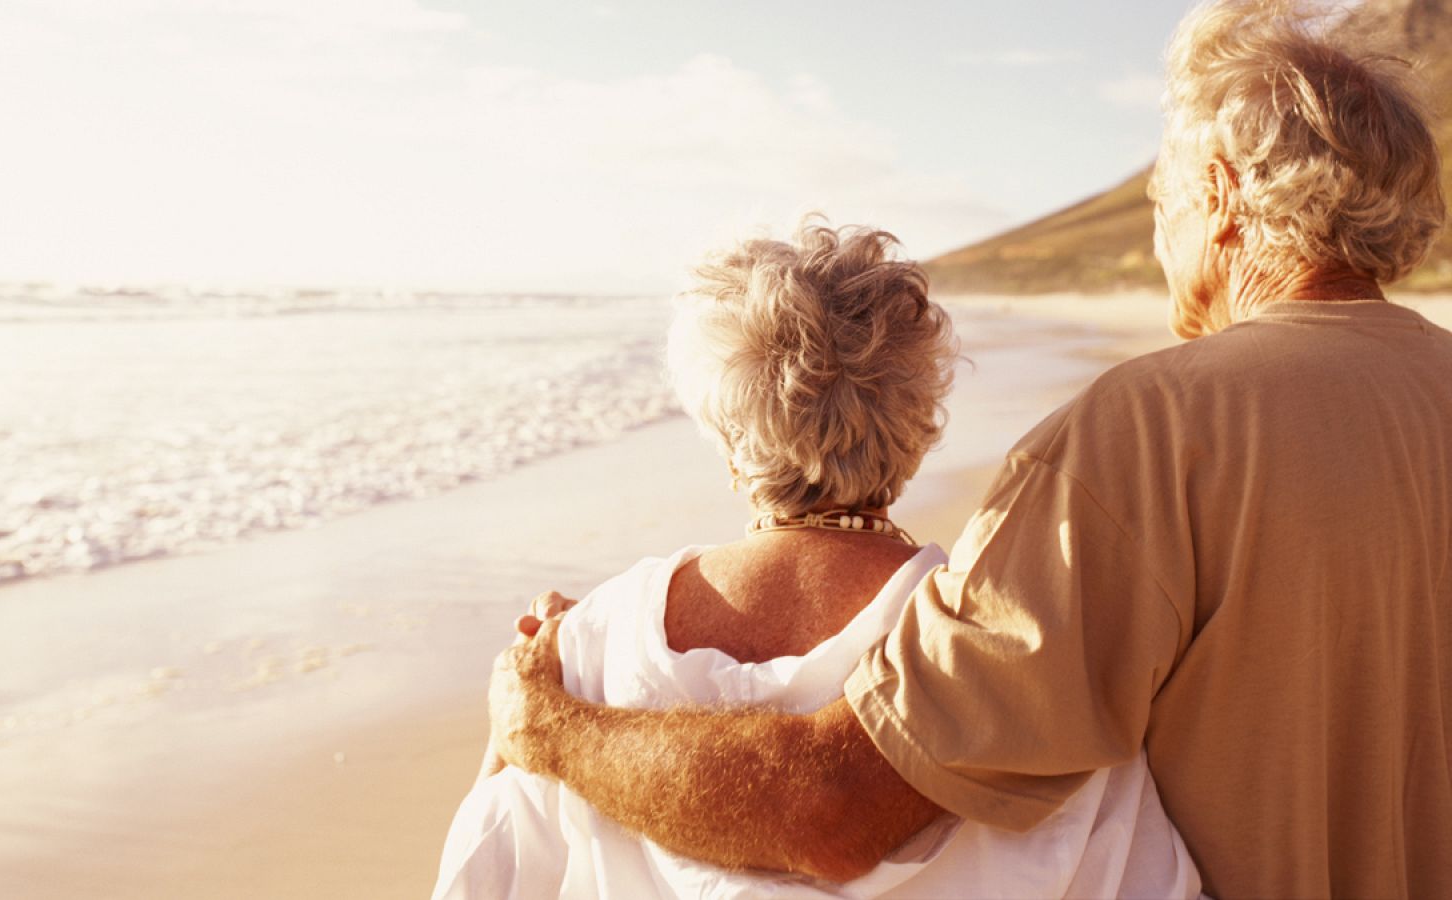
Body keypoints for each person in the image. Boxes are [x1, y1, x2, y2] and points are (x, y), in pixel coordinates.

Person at [485, 1, 1452, 896]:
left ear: (1219, 190)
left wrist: (554, 730)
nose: (1163, 239)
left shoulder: (1152, 433)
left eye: (1161, 204)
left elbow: (838, 811)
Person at [436, 222, 1201, 898]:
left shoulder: (580, 652)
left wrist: (545, 689)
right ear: (915, 427)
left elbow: (483, 877)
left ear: (728, 435)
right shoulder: (1007, 654)